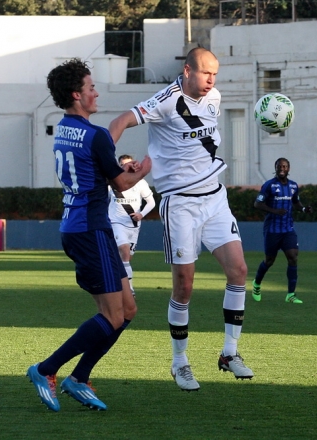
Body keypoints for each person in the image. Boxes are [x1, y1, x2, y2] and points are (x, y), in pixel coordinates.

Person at [109, 47, 253, 392]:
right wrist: (109, 165)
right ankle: (180, 362)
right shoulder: (164, 101)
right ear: (187, 70)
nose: (211, 81)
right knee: (184, 286)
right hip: (180, 205)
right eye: (205, 73)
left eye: (215, 74)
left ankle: (229, 353)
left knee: (239, 271)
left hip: (215, 199)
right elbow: (120, 122)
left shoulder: (214, 97)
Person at [26, 58, 151, 412]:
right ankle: (45, 369)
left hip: (82, 228)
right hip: (90, 230)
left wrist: (120, 168)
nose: (96, 92)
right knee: (112, 316)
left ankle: (79, 377)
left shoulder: (65, 127)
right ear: (76, 95)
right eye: (91, 87)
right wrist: (148, 165)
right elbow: (122, 184)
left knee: (127, 310)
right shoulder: (95, 134)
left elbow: (96, 166)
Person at [252, 158, 311, 304]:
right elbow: (257, 203)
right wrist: (274, 211)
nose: (282, 168)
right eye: (279, 166)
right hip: (272, 229)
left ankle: (291, 294)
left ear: (289, 168)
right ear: (276, 168)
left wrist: (303, 208)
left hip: (288, 228)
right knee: (269, 261)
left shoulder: (293, 186)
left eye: (285, 166)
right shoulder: (269, 185)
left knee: (293, 257)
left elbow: (295, 201)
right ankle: (256, 284)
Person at [108, 154, 156, 297]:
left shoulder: (140, 183)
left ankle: (119, 284)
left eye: (130, 164)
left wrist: (141, 214)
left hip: (134, 225)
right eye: (123, 164)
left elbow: (151, 202)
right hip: (116, 222)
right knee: (124, 250)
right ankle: (129, 291)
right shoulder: (112, 183)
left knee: (126, 259)